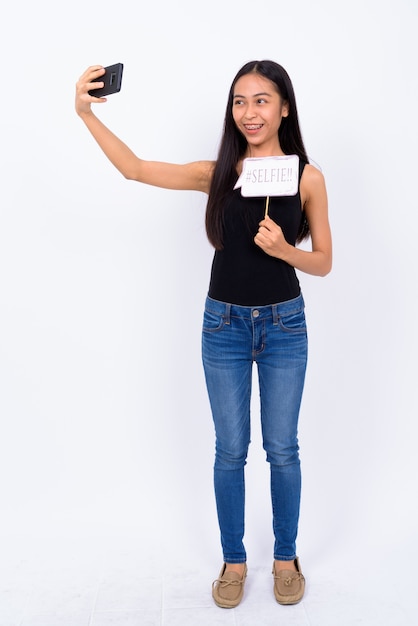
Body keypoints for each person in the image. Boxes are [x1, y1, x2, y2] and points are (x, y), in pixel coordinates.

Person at [75, 59, 332, 608]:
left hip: (285, 325)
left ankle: (285, 558)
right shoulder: (219, 172)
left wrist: (284, 250)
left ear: (284, 106)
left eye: (261, 100)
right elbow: (136, 169)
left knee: (282, 449)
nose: (249, 112)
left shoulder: (308, 177)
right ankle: (233, 561)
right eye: (240, 101)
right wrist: (85, 114)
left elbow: (325, 261)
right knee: (229, 450)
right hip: (224, 326)